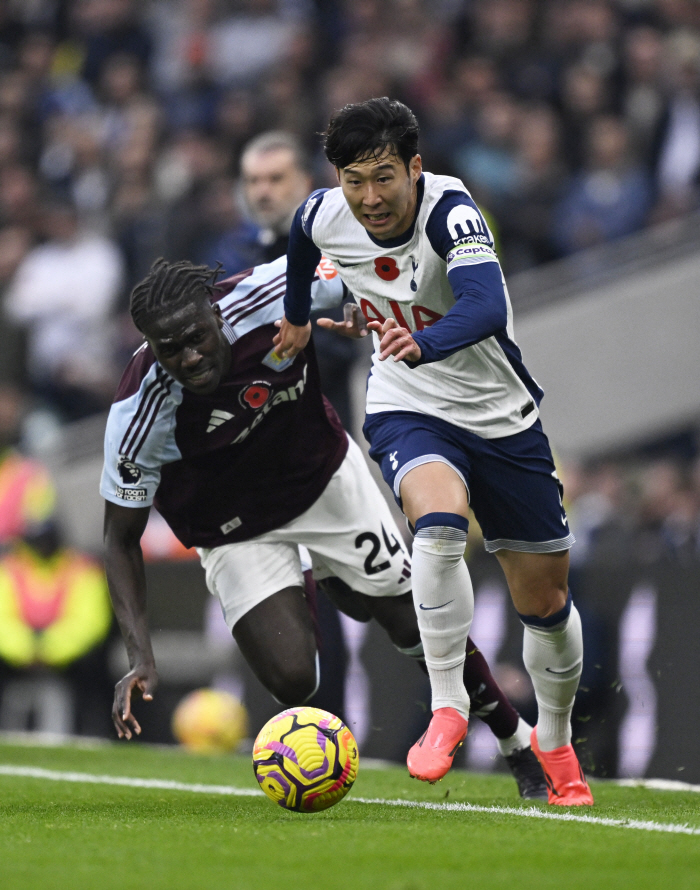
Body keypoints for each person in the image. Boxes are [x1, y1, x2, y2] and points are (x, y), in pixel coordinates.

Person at [101, 253, 547, 800]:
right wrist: (140, 655)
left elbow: (370, 271)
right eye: (170, 350)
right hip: (233, 527)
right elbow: (120, 538)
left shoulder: (275, 293)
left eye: (197, 337)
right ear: (147, 345)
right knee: (294, 680)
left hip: (321, 480)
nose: (190, 357)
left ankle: (518, 742)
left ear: (217, 315)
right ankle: (322, 576)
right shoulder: (137, 412)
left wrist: (366, 313)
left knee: (414, 622)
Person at [274, 97, 593, 806]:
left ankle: (556, 737)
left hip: (500, 416)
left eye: (384, 177)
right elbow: (299, 235)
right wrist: (297, 318)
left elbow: (482, 305)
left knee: (545, 603)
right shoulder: (327, 212)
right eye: (354, 180)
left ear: (415, 168)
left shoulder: (452, 212)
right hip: (407, 404)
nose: (369, 197)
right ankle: (448, 706)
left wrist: (423, 341)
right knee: (439, 525)